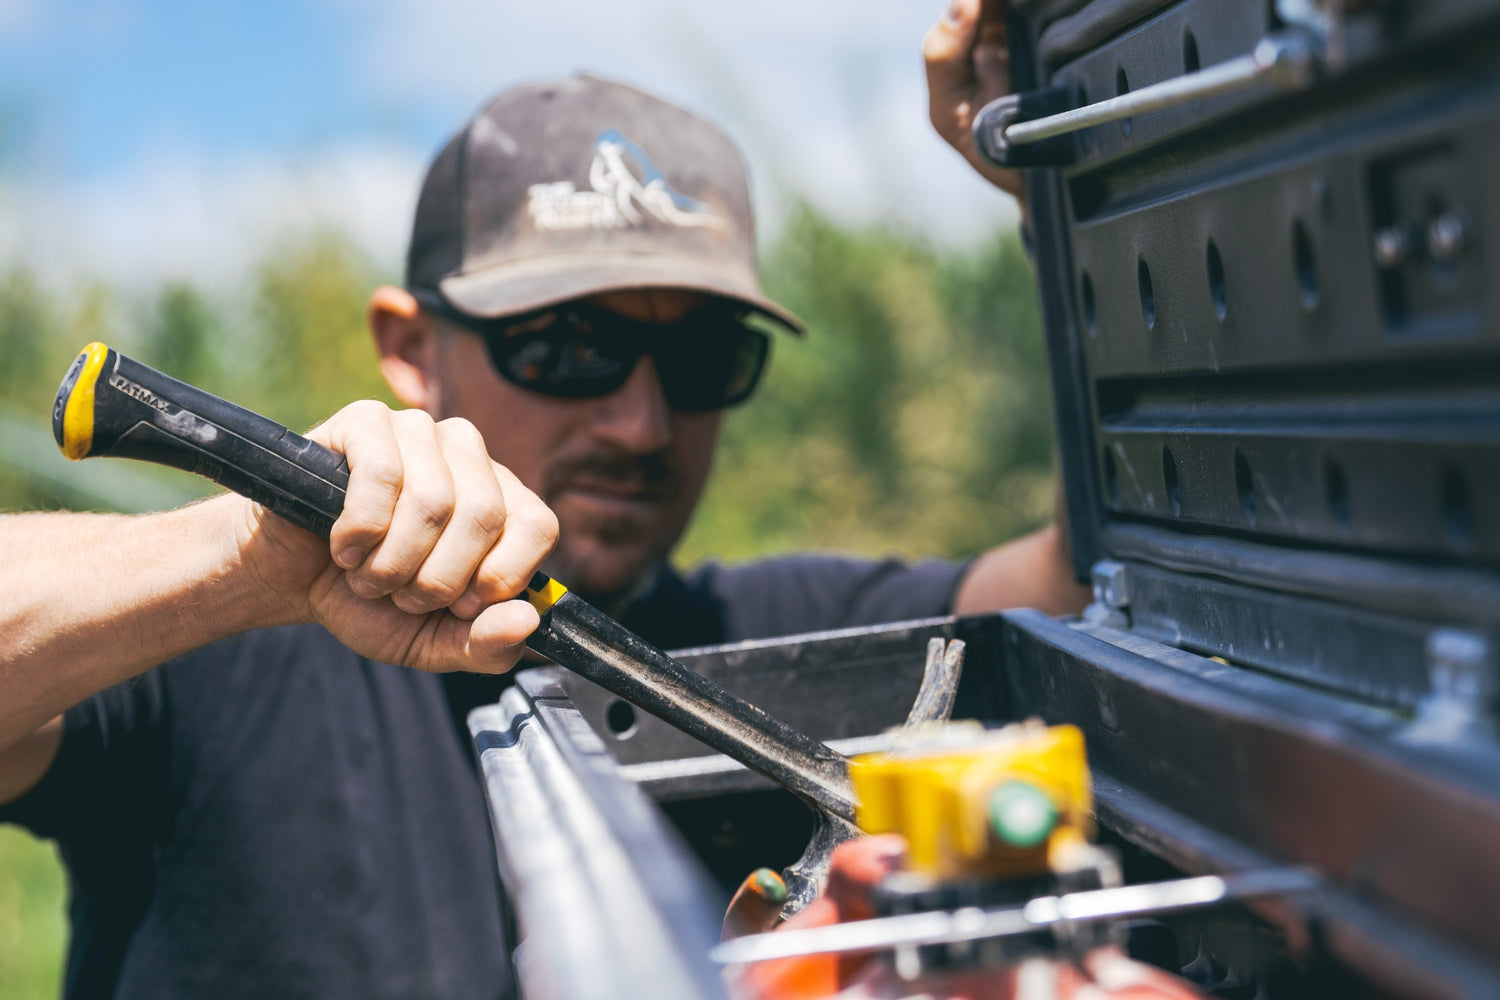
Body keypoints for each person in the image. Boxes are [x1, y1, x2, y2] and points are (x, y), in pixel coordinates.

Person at [0, 4, 1083, 998]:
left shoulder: (785, 644)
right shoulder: (200, 663)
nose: (641, 423)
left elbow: (1088, 587)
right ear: (411, 350)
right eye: (572, 346)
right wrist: (250, 558)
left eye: (701, 356)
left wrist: (1076, 204)